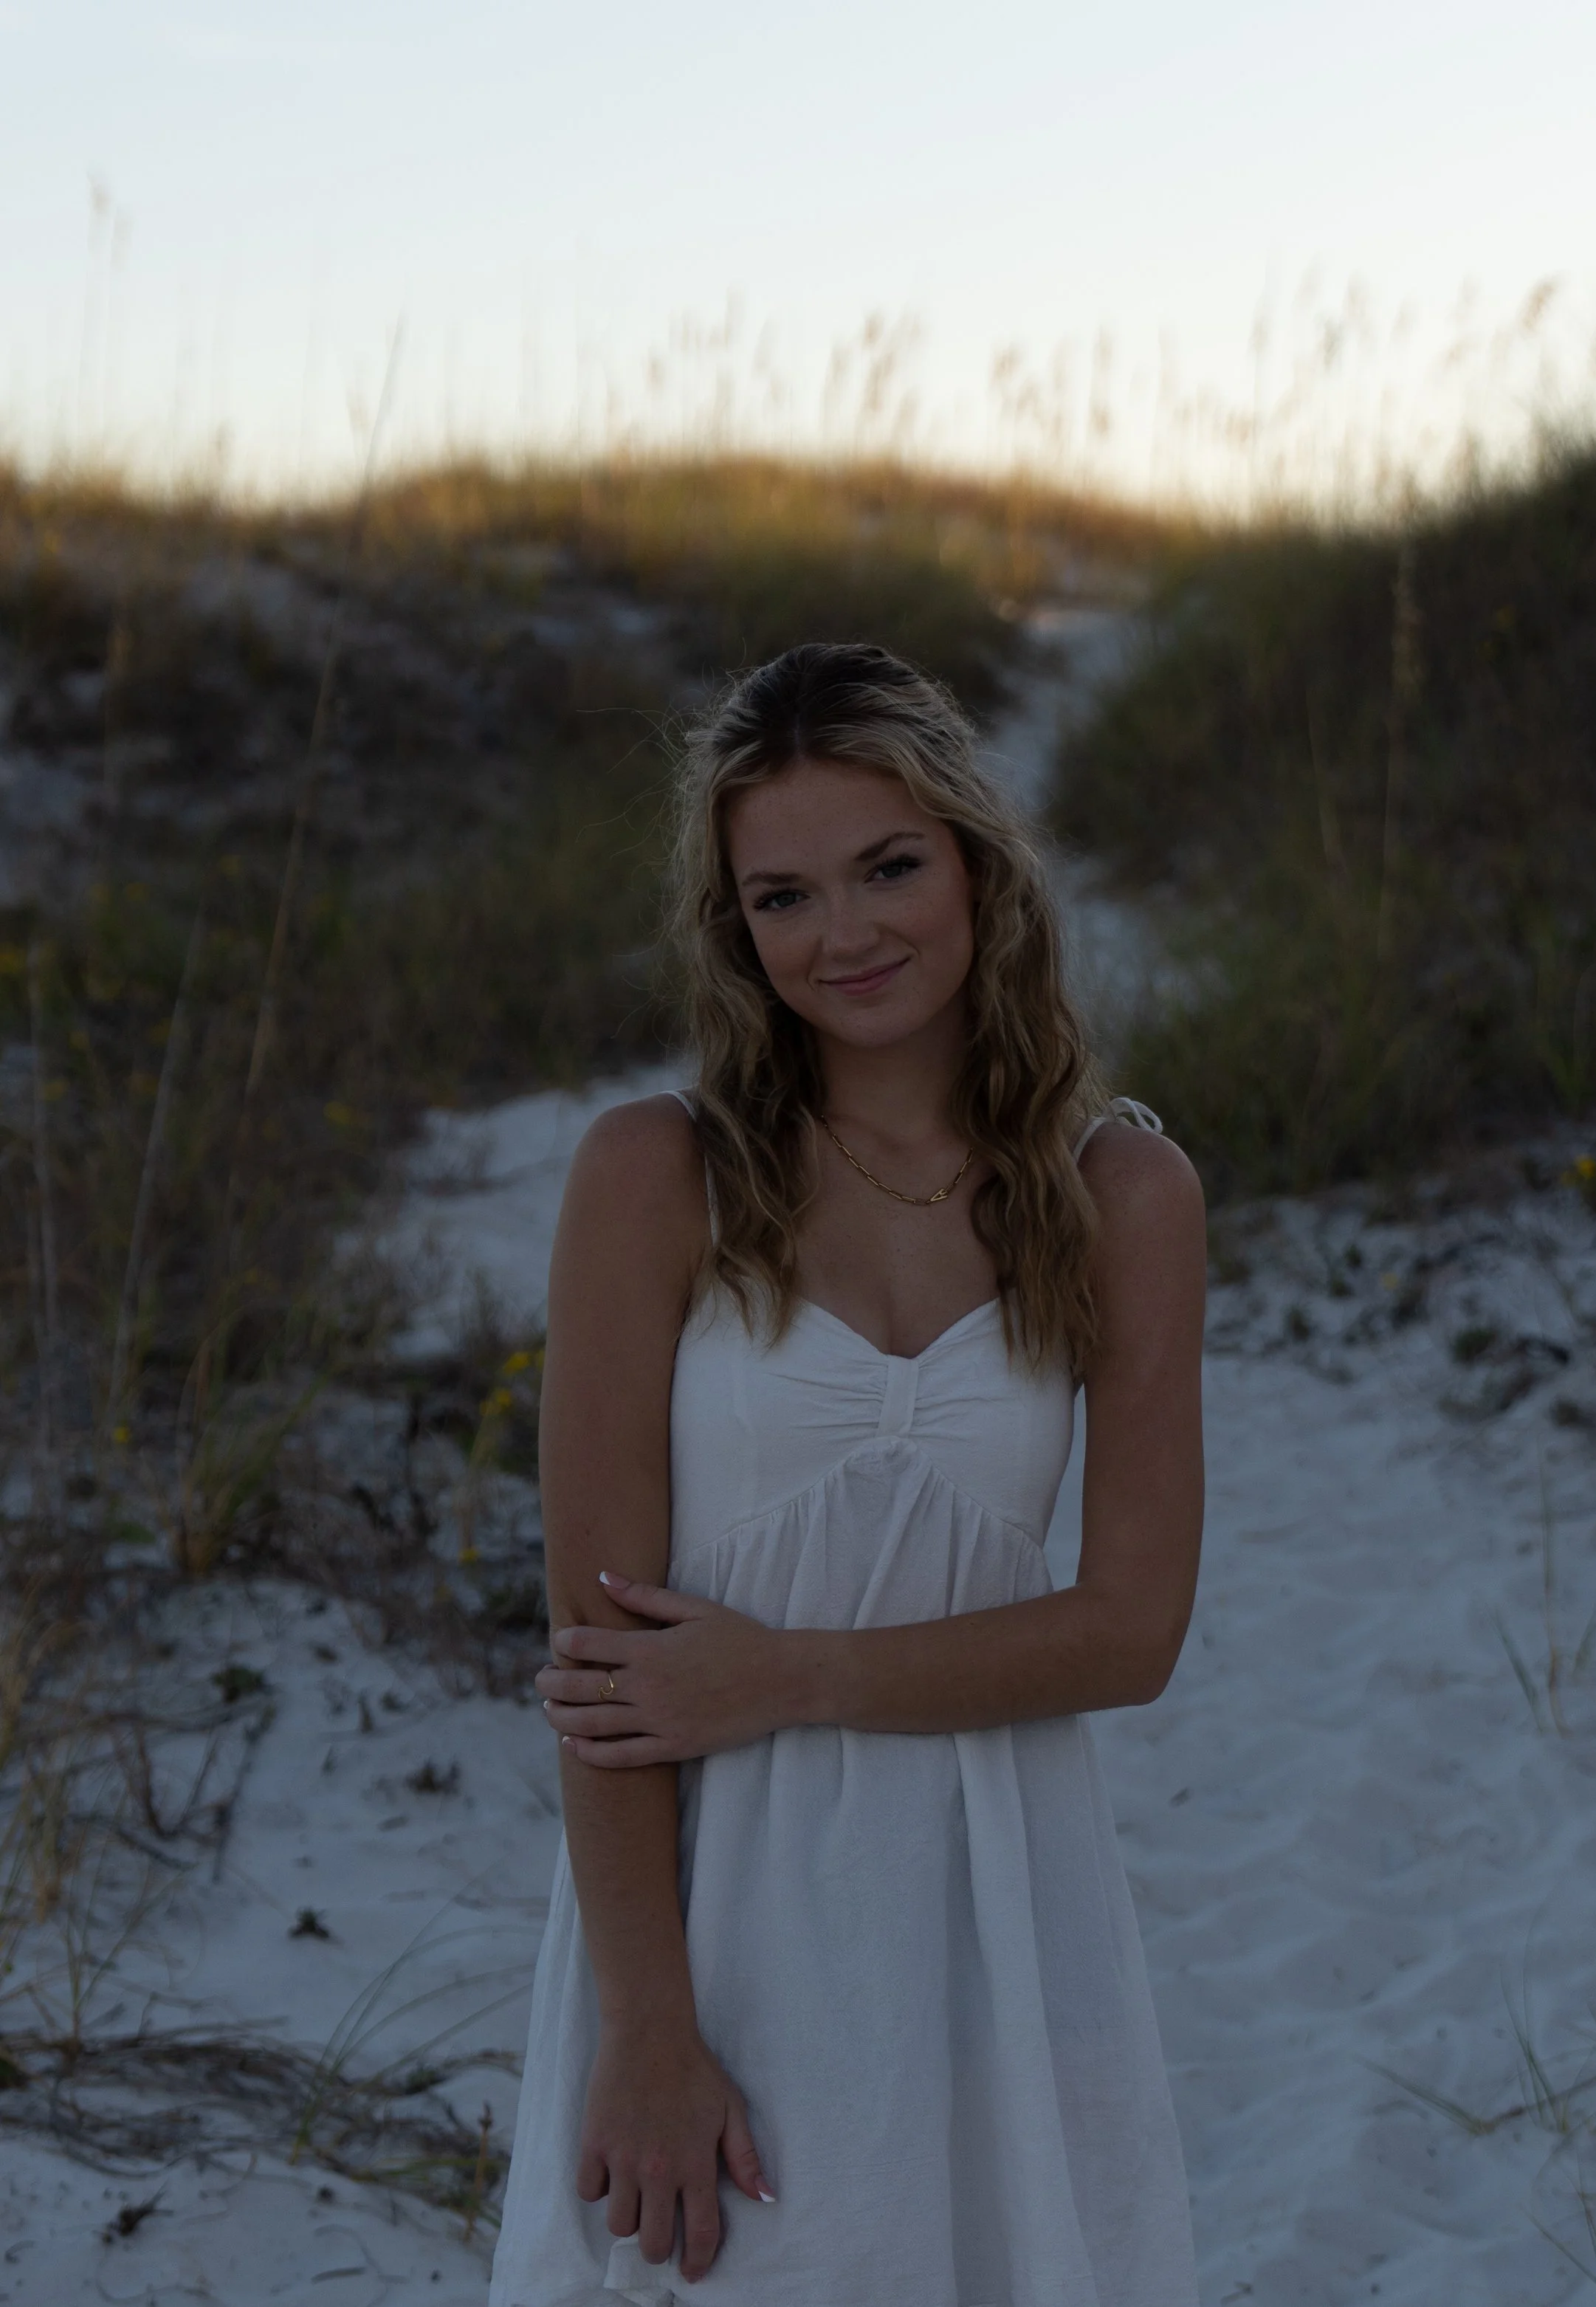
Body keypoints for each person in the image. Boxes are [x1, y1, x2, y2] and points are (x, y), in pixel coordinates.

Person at [489, 642, 1205, 2307]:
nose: (848, 932)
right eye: (784, 895)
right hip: (713, 1911)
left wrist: (783, 1670)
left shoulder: (1122, 1193)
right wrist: (647, 2030)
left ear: (975, 861)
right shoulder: (654, 1174)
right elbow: (601, 1672)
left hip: (998, 1908)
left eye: (888, 865)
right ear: (735, 926)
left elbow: (1131, 1631)